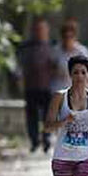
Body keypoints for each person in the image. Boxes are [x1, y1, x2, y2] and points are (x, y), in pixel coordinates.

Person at [17, 17, 56, 153]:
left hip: (48, 87)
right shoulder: (26, 47)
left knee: (48, 116)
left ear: (47, 30)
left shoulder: (53, 46)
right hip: (31, 87)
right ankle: (34, 141)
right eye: (37, 29)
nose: (40, 32)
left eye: (42, 29)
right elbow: (19, 66)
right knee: (32, 116)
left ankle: (46, 139)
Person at [50, 19, 88, 93]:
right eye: (65, 37)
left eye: (70, 36)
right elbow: (50, 70)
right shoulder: (55, 51)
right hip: (58, 89)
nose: (68, 39)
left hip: (77, 91)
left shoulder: (82, 51)